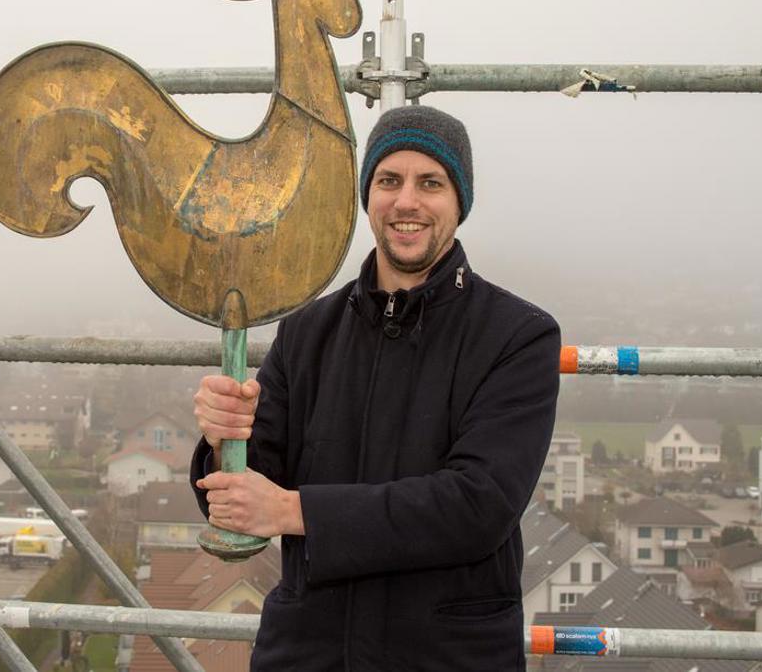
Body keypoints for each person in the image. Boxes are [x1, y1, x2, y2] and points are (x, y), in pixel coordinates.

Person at [191, 105, 561, 671]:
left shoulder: (517, 336)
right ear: (368, 196)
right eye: (389, 181)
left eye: (430, 183)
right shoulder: (306, 331)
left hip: (445, 656)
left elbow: (477, 506)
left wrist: (295, 511)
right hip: (311, 653)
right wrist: (223, 438)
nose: (406, 202)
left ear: (459, 202)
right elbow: (237, 496)